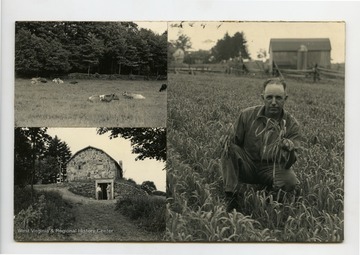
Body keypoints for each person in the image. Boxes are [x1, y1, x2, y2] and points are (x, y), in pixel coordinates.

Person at [221, 78, 302, 212]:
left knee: (290, 181)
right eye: (269, 97)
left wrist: (290, 149)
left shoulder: (291, 124)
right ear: (262, 97)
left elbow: (290, 163)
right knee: (228, 147)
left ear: (285, 99)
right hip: (248, 165)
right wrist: (225, 140)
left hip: (272, 169)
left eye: (278, 98)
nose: (274, 102)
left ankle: (273, 196)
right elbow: (235, 143)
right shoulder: (246, 115)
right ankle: (232, 196)